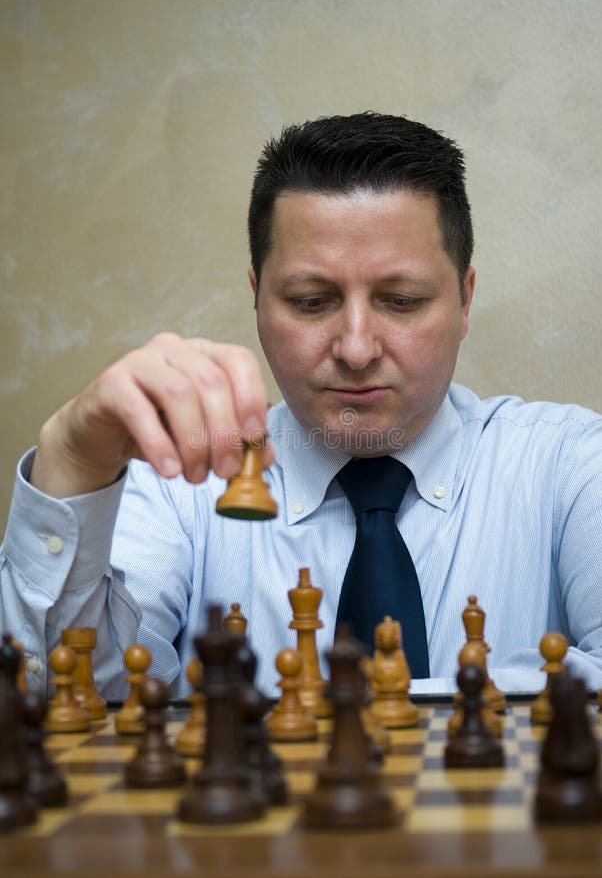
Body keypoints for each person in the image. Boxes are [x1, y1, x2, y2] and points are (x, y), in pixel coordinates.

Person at [1, 113, 601, 699]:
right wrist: (74, 465)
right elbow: (68, 700)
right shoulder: (178, 481)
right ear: (258, 297)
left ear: (464, 301)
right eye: (312, 302)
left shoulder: (572, 467)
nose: (357, 349)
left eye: (401, 300)